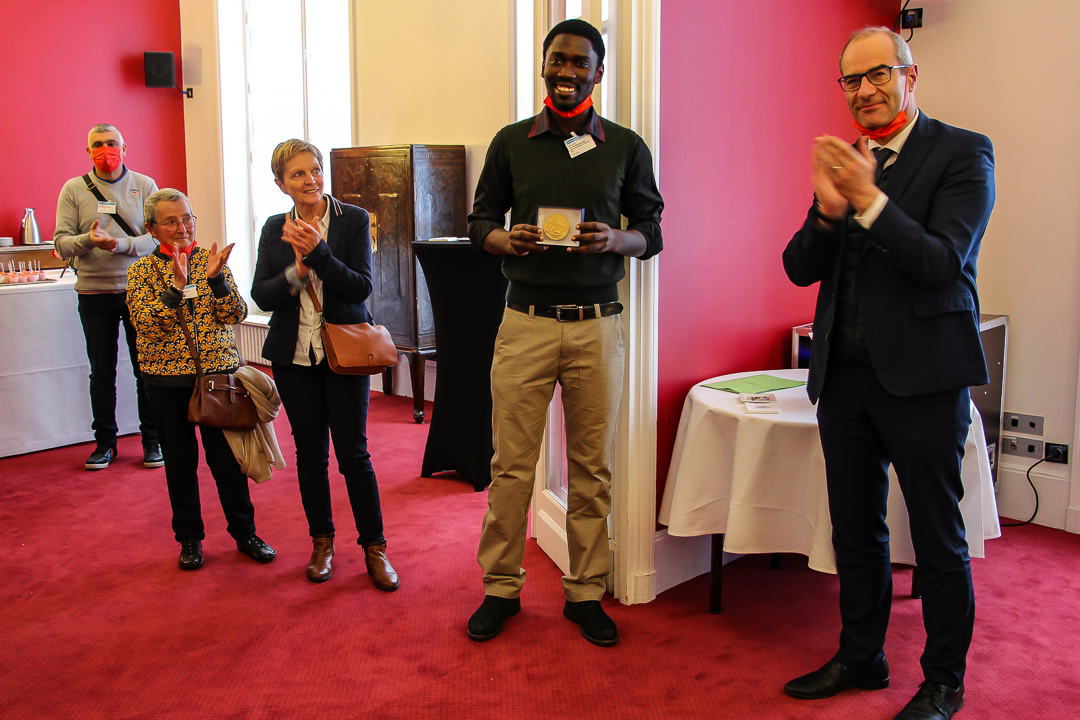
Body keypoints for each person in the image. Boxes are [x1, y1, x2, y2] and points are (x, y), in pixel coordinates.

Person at [781, 27, 995, 720]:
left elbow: (940, 263)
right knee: (855, 531)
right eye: (851, 81)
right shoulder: (846, 163)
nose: (866, 90)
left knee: (936, 536)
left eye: (879, 74)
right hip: (844, 380)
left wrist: (868, 201)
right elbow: (798, 267)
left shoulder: (962, 153)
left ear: (911, 75)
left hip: (926, 381)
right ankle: (862, 655)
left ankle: (943, 682)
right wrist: (827, 207)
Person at [465, 19, 663, 647]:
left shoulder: (627, 146)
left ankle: (584, 592)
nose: (567, 71)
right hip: (523, 323)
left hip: (598, 328)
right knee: (511, 465)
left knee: (591, 468)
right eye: (558, 60)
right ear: (544, 65)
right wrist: (504, 238)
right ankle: (500, 587)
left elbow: (652, 231)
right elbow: (478, 222)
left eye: (580, 62)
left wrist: (616, 239)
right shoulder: (510, 142)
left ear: (598, 74)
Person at [251, 140, 399, 591]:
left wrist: (319, 254)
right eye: (297, 174)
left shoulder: (352, 219)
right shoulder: (275, 227)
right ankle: (322, 544)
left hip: (344, 351)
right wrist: (296, 273)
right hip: (293, 357)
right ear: (281, 184)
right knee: (310, 455)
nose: (311, 179)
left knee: (354, 453)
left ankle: (375, 548)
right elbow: (262, 296)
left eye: (315, 170)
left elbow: (359, 289)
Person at [127, 189, 276, 571]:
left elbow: (236, 313)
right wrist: (176, 290)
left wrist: (216, 280)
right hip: (167, 382)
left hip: (217, 378)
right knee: (179, 464)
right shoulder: (141, 272)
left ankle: (245, 533)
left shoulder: (212, 264)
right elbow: (148, 325)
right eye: (171, 221)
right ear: (151, 228)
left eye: (187, 218)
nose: (182, 227)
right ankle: (189, 540)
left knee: (229, 462)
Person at [54, 124, 162, 471]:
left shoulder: (145, 186)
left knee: (147, 369)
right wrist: (88, 240)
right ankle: (105, 444)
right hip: (94, 293)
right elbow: (61, 243)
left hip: (139, 292)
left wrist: (121, 245)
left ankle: (153, 441)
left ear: (124, 147)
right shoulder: (73, 189)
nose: (105, 149)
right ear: (88, 152)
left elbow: (158, 237)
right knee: (102, 372)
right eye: (97, 145)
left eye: (111, 143)